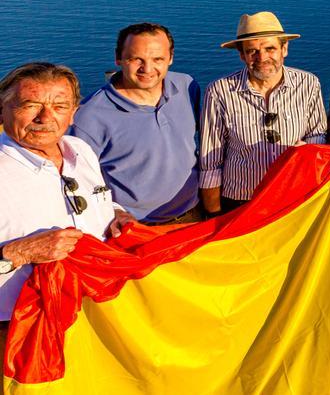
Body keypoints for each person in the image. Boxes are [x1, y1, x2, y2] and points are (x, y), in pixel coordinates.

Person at [0, 63, 137, 344]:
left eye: (60, 106)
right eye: (30, 104)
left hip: (91, 315)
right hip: (16, 331)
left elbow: (101, 201)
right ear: (3, 109)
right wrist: (16, 254)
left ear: (74, 113)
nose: (45, 117)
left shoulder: (81, 150)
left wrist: (119, 216)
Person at [71, 23, 203, 225]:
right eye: (136, 59)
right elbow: (79, 180)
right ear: (119, 58)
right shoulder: (89, 116)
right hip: (135, 226)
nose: (147, 69)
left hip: (193, 216)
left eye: (157, 59)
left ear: (171, 58)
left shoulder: (186, 86)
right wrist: (113, 213)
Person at [199, 12, 326, 216]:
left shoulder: (308, 84)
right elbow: (210, 160)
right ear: (242, 55)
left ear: (284, 49)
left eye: (270, 48)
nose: (262, 58)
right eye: (252, 51)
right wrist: (214, 216)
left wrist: (305, 153)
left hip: (293, 195)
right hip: (241, 201)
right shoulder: (220, 91)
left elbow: (317, 136)